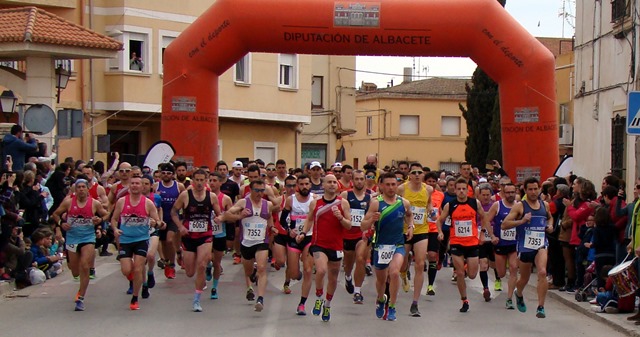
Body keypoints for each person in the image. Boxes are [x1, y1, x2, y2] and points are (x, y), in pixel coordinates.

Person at [296, 174, 351, 322]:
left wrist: (341, 218)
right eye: (329, 182)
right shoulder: (315, 203)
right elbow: (308, 220)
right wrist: (302, 232)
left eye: (334, 182)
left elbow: (349, 225)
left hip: (336, 245)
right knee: (320, 270)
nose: (332, 184)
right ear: (323, 185)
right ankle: (319, 297)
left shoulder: (343, 203)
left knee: (333, 278)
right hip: (318, 244)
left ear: (337, 185)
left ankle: (327, 304)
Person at [362, 172, 414, 321]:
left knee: (395, 273)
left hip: (397, 244)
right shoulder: (376, 203)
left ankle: (392, 306)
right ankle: (380, 299)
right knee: (381, 280)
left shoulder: (404, 203)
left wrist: (410, 227)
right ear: (381, 186)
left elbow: (409, 215)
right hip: (380, 246)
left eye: (394, 184)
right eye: (388, 184)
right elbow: (362, 226)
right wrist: (372, 219)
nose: (391, 187)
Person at [51, 179, 108, 311]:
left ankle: (81, 297)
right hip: (72, 238)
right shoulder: (69, 203)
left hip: (88, 237)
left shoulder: (94, 203)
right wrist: (61, 224)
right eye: (79, 187)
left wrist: (99, 220)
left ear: (88, 189)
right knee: (75, 270)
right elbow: (55, 214)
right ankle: (79, 286)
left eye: (83, 187)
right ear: (75, 190)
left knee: (84, 265)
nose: (81, 189)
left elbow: (106, 214)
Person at [437, 177, 492, 313]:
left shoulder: (475, 203)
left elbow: (484, 217)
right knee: (460, 273)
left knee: (472, 275)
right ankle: (464, 300)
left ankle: (467, 267)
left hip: (472, 242)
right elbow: (440, 220)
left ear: (468, 191)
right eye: (459, 189)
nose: (462, 191)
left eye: (464, 189)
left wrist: (483, 233)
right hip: (456, 243)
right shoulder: (450, 205)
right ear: (455, 190)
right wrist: (440, 232)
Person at [502, 177, 554, 318]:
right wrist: (522, 220)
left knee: (542, 272)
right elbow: (504, 225)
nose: (533, 192)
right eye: (530, 189)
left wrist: (550, 225)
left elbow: (549, 217)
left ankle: (541, 307)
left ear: (539, 189)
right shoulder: (520, 206)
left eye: (535, 189)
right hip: (525, 247)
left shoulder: (545, 205)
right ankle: (518, 294)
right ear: (525, 190)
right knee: (524, 279)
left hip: (541, 244)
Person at [171, 169, 222, 312]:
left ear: (206, 181)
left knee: (201, 265)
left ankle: (196, 300)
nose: (199, 183)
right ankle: (182, 253)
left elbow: (219, 214)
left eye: (202, 180)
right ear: (192, 181)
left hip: (205, 236)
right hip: (188, 236)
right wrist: (180, 226)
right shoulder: (185, 195)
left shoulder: (211, 197)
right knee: (189, 272)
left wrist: (219, 218)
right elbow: (173, 212)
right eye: (197, 180)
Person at [110, 176, 161, 310]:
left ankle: (135, 297)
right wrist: (115, 229)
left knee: (138, 269)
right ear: (129, 186)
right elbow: (114, 219)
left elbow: (157, 220)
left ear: (142, 186)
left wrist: (155, 222)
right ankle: (136, 281)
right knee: (126, 270)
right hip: (125, 239)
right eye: (132, 183)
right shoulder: (122, 201)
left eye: (137, 184)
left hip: (141, 239)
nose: (134, 186)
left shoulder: (148, 203)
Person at [224, 179, 274, 312]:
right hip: (246, 242)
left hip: (261, 241)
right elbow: (228, 214)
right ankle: (251, 278)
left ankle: (260, 299)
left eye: (262, 190)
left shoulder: (267, 204)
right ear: (251, 190)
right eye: (256, 190)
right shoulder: (243, 202)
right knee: (248, 271)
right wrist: (240, 215)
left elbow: (269, 216)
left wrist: (272, 227)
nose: (259, 193)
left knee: (262, 268)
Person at [397, 162, 431, 316]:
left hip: (421, 230)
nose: (417, 175)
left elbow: (428, 206)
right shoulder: (402, 189)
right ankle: (403, 274)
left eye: (420, 172)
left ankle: (415, 302)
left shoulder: (428, 189)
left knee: (420, 264)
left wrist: (431, 212)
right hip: (404, 231)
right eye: (414, 172)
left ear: (423, 175)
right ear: (409, 175)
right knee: (402, 264)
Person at [280, 174, 315, 315]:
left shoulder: (314, 200)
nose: (304, 187)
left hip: (309, 238)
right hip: (294, 239)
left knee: (308, 270)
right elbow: (283, 220)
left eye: (307, 184)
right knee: (294, 273)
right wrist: (289, 230)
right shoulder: (291, 200)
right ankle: (296, 275)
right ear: (297, 186)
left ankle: (302, 304)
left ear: (310, 185)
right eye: (301, 184)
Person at [340, 169, 370, 303]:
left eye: (361, 179)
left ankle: (357, 291)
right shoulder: (345, 195)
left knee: (360, 258)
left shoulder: (370, 198)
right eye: (356, 179)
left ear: (365, 180)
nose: (359, 181)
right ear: (352, 180)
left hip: (362, 235)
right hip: (347, 235)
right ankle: (347, 277)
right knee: (348, 263)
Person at [486, 182, 518, 309]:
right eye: (508, 192)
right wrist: (492, 236)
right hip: (500, 243)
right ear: (503, 193)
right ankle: (491, 263)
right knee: (501, 273)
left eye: (512, 192)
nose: (510, 195)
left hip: (514, 243)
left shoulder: (519, 206)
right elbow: (487, 220)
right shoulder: (497, 205)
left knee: (514, 268)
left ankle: (509, 298)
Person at [155, 163, 186, 278]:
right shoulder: (156, 186)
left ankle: (172, 266)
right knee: (163, 243)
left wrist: (184, 219)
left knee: (169, 240)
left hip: (174, 218)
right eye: (163, 173)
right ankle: (168, 262)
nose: (166, 175)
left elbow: (184, 202)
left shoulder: (179, 187)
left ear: (173, 175)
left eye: (168, 173)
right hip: (162, 219)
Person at [207, 172, 233, 300]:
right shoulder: (203, 196)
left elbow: (232, 216)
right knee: (206, 257)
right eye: (210, 180)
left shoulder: (225, 199)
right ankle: (207, 266)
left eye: (214, 180)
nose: (212, 183)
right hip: (205, 234)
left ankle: (214, 287)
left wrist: (223, 217)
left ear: (220, 183)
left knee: (217, 262)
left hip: (219, 233)